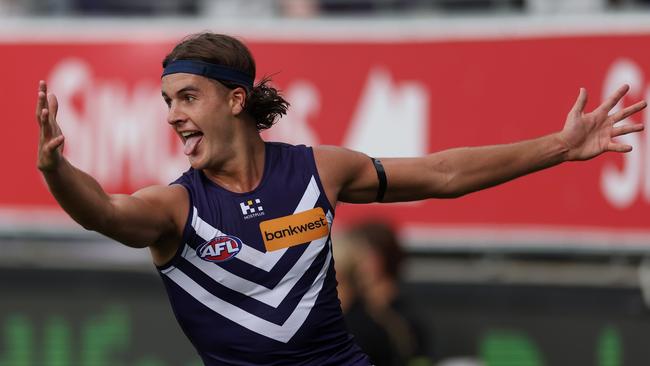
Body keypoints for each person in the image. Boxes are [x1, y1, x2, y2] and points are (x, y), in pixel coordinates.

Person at [35, 32, 645, 366]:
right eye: (167, 101)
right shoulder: (175, 208)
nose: (172, 116)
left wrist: (561, 147)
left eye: (187, 97)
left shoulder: (318, 171)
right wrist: (58, 170)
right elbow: (104, 212)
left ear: (235, 100)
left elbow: (441, 173)